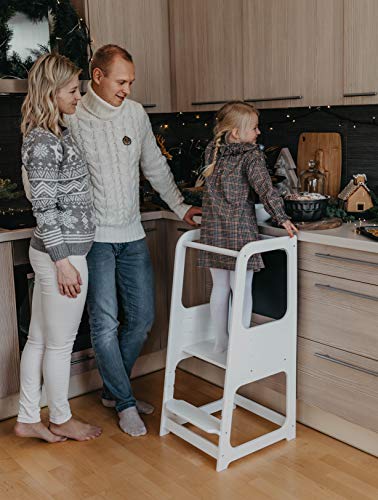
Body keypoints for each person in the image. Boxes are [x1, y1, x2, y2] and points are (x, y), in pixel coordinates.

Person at [66, 44, 201, 437]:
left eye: (131, 82)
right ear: (97, 77)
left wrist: (179, 207)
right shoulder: (74, 118)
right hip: (94, 240)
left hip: (132, 234)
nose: (127, 89)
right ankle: (124, 402)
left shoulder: (136, 113)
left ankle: (113, 390)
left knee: (142, 319)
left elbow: (154, 167)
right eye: (121, 81)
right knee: (105, 323)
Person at [14, 54, 102, 443]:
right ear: (51, 93)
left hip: (57, 253)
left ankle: (28, 417)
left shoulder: (55, 134)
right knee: (59, 343)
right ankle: (61, 418)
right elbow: (44, 207)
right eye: (71, 90)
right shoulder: (44, 142)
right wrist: (64, 261)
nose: (79, 96)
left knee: (39, 339)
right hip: (61, 255)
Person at [198, 101, 298, 352]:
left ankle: (220, 341)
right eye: (254, 128)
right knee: (241, 288)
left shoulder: (213, 149)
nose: (258, 132)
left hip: (213, 229)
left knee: (220, 287)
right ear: (236, 133)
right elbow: (265, 188)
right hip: (240, 230)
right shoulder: (251, 155)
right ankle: (239, 344)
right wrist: (282, 217)